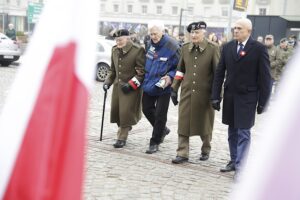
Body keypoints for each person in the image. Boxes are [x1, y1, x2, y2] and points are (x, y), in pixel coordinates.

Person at [211, 18, 272, 180]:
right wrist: (215, 96)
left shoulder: (259, 49)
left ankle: (241, 166)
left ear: (249, 31)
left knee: (243, 132)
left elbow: (266, 78)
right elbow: (219, 73)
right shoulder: (228, 47)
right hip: (230, 96)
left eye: (239, 28)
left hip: (248, 98)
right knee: (232, 131)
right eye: (234, 28)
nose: (235, 31)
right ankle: (233, 160)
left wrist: (263, 102)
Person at [170, 21, 220, 164]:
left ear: (204, 33)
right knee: (183, 122)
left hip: (205, 94)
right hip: (187, 92)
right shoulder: (185, 48)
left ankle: (206, 149)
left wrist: (217, 95)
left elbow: (218, 74)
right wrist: (174, 88)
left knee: (205, 124)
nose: (193, 35)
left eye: (197, 32)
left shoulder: (213, 49)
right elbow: (180, 70)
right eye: (191, 32)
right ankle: (182, 152)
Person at [142, 20, 180, 154]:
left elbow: (180, 66)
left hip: (165, 84)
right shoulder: (148, 43)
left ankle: (155, 141)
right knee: (146, 109)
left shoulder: (172, 45)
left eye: (155, 34)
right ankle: (163, 129)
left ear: (162, 32)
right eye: (151, 34)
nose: (153, 37)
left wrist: (170, 76)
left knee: (160, 114)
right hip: (150, 81)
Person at [103, 29, 145, 148]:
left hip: (131, 89)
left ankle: (122, 138)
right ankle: (125, 127)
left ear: (127, 38)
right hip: (118, 88)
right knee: (117, 113)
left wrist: (132, 84)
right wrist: (108, 82)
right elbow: (113, 70)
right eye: (116, 40)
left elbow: (142, 72)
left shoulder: (138, 50)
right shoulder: (114, 50)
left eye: (120, 40)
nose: (118, 42)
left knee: (125, 113)